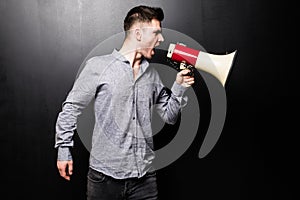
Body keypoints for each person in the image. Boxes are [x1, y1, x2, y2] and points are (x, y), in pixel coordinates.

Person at [54, 5, 195, 200]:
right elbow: (70, 109)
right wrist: (63, 149)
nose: (161, 39)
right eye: (156, 33)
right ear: (138, 34)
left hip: (145, 180)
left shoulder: (152, 75)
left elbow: (170, 118)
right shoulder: (98, 66)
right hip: (104, 180)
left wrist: (179, 86)